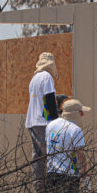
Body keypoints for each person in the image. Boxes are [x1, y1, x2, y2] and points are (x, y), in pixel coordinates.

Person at [44, 98, 90, 193]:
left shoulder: (51, 125)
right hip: (68, 177)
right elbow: (80, 155)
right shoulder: (75, 130)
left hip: (51, 174)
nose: (83, 116)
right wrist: (85, 175)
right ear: (76, 113)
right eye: (81, 113)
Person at [25, 52, 60, 183]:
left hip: (32, 121)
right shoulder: (46, 77)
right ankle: (52, 184)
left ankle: (38, 183)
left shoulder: (34, 79)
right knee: (51, 153)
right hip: (43, 121)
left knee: (38, 156)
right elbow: (49, 99)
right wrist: (56, 120)